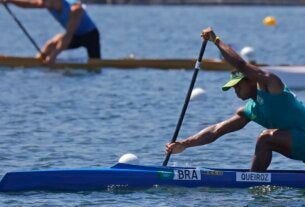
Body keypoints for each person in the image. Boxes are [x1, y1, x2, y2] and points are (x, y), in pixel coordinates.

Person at [166, 27, 305, 172]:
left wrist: (216, 40)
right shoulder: (251, 109)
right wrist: (184, 144)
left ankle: (253, 181)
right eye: (233, 88)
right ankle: (254, 179)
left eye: (238, 86)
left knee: (265, 138)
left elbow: (241, 65)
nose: (235, 91)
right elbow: (216, 130)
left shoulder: (271, 84)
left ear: (251, 80)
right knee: (266, 140)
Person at [1, 0, 101, 63]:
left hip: (90, 36)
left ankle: (98, 63)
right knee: (50, 45)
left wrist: (54, 56)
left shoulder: (75, 9)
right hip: (75, 35)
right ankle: (37, 62)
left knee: (95, 64)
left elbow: (68, 36)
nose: (42, 2)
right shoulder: (49, 3)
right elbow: (28, 4)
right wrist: (10, 1)